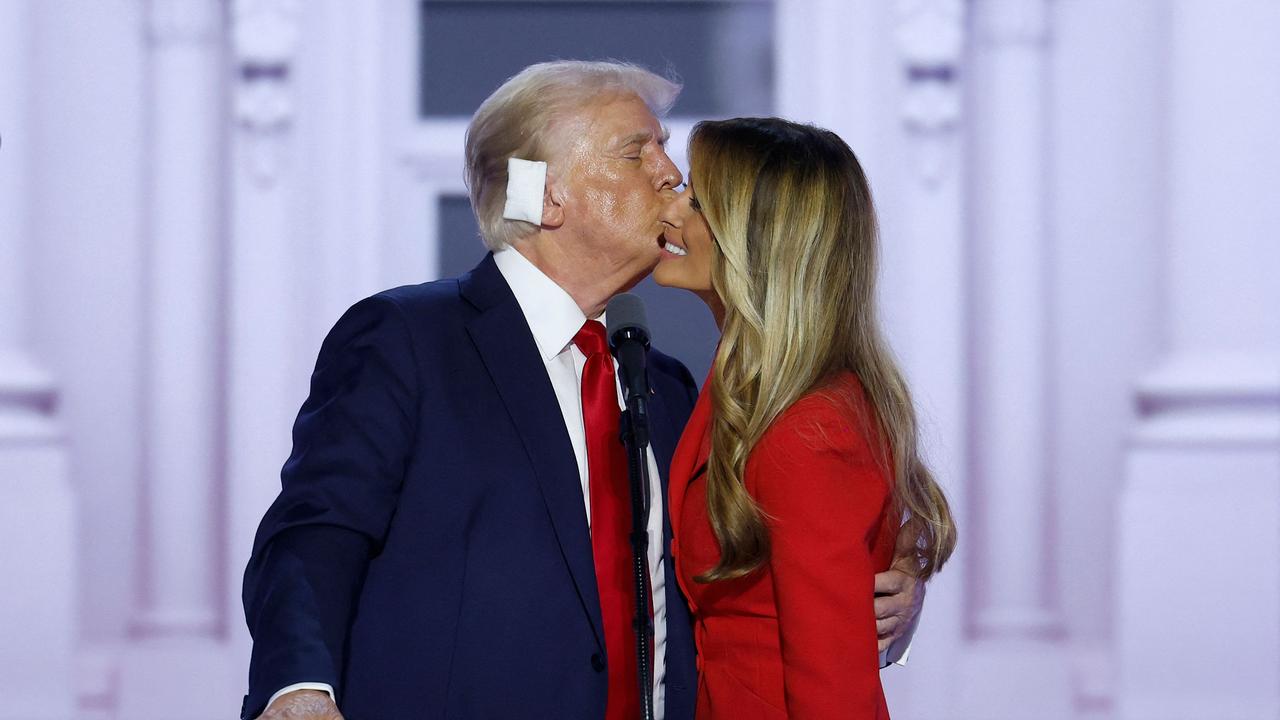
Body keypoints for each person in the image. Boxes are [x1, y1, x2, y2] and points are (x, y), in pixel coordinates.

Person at [241, 63, 926, 720]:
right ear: (545, 195)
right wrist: (297, 686)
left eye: (666, 150)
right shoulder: (409, 340)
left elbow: (777, 558)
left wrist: (898, 578)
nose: (672, 175)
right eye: (637, 153)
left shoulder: (668, 387)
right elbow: (315, 533)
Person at [654, 117, 956, 718]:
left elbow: (833, 686)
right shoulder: (750, 393)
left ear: (753, 238)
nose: (671, 211)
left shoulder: (807, 428)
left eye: (698, 199)